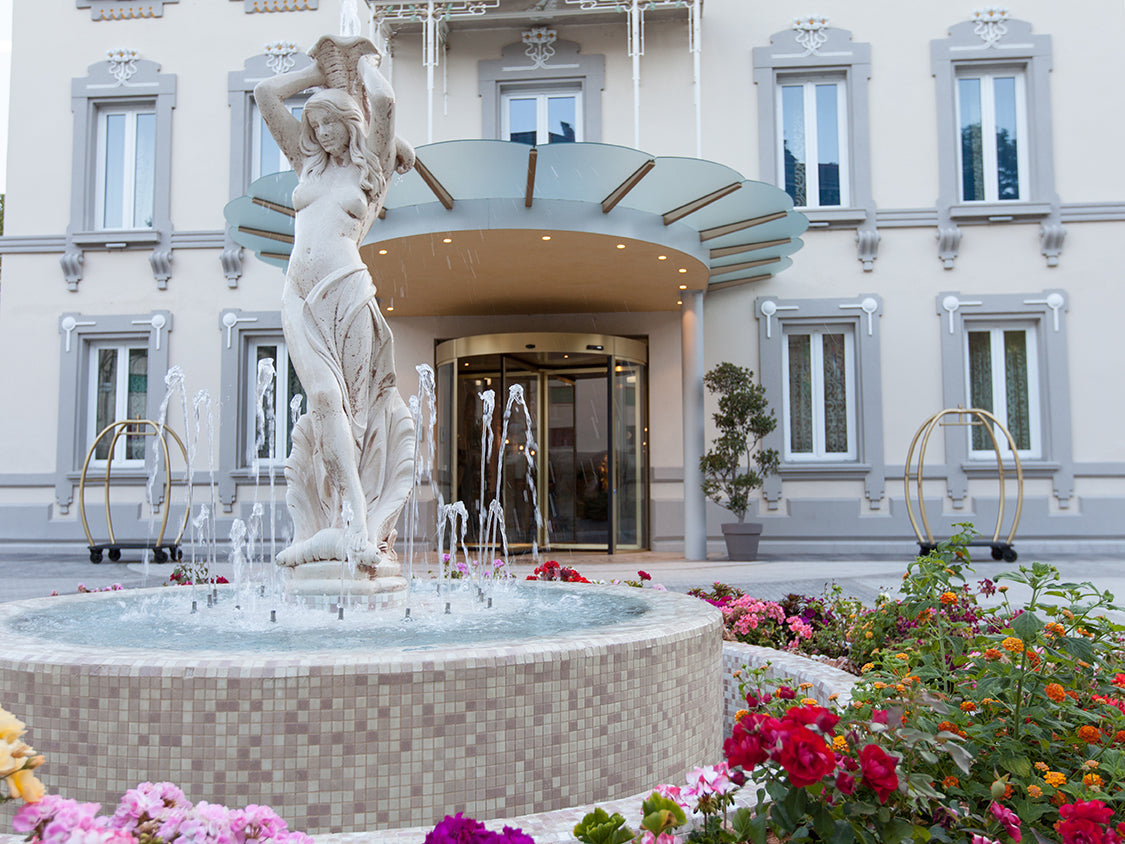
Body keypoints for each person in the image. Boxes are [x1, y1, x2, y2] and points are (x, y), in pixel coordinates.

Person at [255, 35, 415, 571]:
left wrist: (362, 64)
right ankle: (344, 522)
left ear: (351, 123)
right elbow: (264, 93)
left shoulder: (371, 168)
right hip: (298, 294)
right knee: (323, 401)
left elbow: (386, 105)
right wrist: (319, 76)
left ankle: (361, 528)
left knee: (352, 410)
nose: (321, 132)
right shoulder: (308, 165)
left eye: (330, 123)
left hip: (346, 293)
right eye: (315, 124)